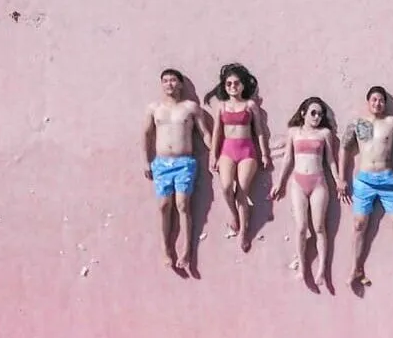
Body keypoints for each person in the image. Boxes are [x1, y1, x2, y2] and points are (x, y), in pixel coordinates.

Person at [338, 85, 393, 287]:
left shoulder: (392, 122)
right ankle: (355, 268)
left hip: (387, 179)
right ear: (368, 102)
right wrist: (341, 178)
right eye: (374, 100)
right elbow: (344, 149)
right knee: (359, 225)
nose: (378, 103)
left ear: (385, 103)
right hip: (364, 180)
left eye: (381, 100)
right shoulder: (358, 123)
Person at [142, 68, 212, 270]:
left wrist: (214, 154)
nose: (169, 84)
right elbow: (146, 135)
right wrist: (146, 161)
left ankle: (187, 250)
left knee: (182, 205)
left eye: (173, 80)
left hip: (184, 163)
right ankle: (166, 249)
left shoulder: (191, 107)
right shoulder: (154, 108)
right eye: (165, 81)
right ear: (161, 84)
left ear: (180, 84)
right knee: (164, 206)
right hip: (162, 163)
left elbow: (204, 133)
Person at [270, 97, 340, 288]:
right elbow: (287, 159)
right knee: (301, 227)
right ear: (303, 113)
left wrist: (338, 180)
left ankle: (322, 271)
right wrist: (280, 183)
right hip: (298, 182)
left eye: (320, 114)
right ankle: (303, 267)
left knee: (319, 228)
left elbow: (331, 160)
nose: (317, 117)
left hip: (318, 182)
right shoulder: (294, 132)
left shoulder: (325, 133)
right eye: (313, 113)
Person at [206, 63, 271, 251]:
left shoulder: (250, 105)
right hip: (227, 150)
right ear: (225, 86)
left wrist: (264, 153)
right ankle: (233, 213)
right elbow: (217, 132)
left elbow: (259, 131)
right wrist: (213, 155)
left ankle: (243, 231)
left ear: (243, 85)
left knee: (242, 190)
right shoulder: (221, 106)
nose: (233, 87)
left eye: (236, 83)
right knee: (226, 186)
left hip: (247, 151)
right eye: (229, 84)